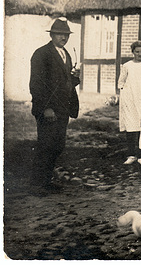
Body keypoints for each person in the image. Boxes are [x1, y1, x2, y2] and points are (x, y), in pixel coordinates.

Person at [29, 17, 81, 196]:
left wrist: (75, 76)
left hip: (63, 108)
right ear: (52, 35)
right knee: (45, 145)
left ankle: (47, 181)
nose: (64, 38)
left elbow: (66, 83)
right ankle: (37, 185)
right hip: (48, 109)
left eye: (66, 34)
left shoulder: (66, 54)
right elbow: (36, 84)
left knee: (57, 145)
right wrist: (45, 108)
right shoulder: (41, 54)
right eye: (60, 34)